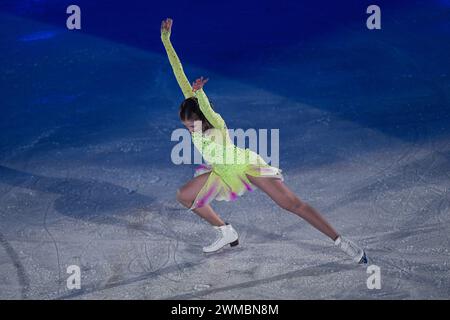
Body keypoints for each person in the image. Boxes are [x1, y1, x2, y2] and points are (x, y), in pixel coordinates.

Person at [160, 18, 367, 263]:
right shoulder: (191, 109)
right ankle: (226, 231)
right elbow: (179, 73)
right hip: (222, 173)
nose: (189, 130)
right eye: (185, 127)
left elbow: (202, 104)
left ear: (202, 118)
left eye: (191, 125)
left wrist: (201, 93)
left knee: (291, 203)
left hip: (245, 166)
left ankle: (342, 242)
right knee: (184, 195)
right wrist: (166, 40)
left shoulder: (214, 121)